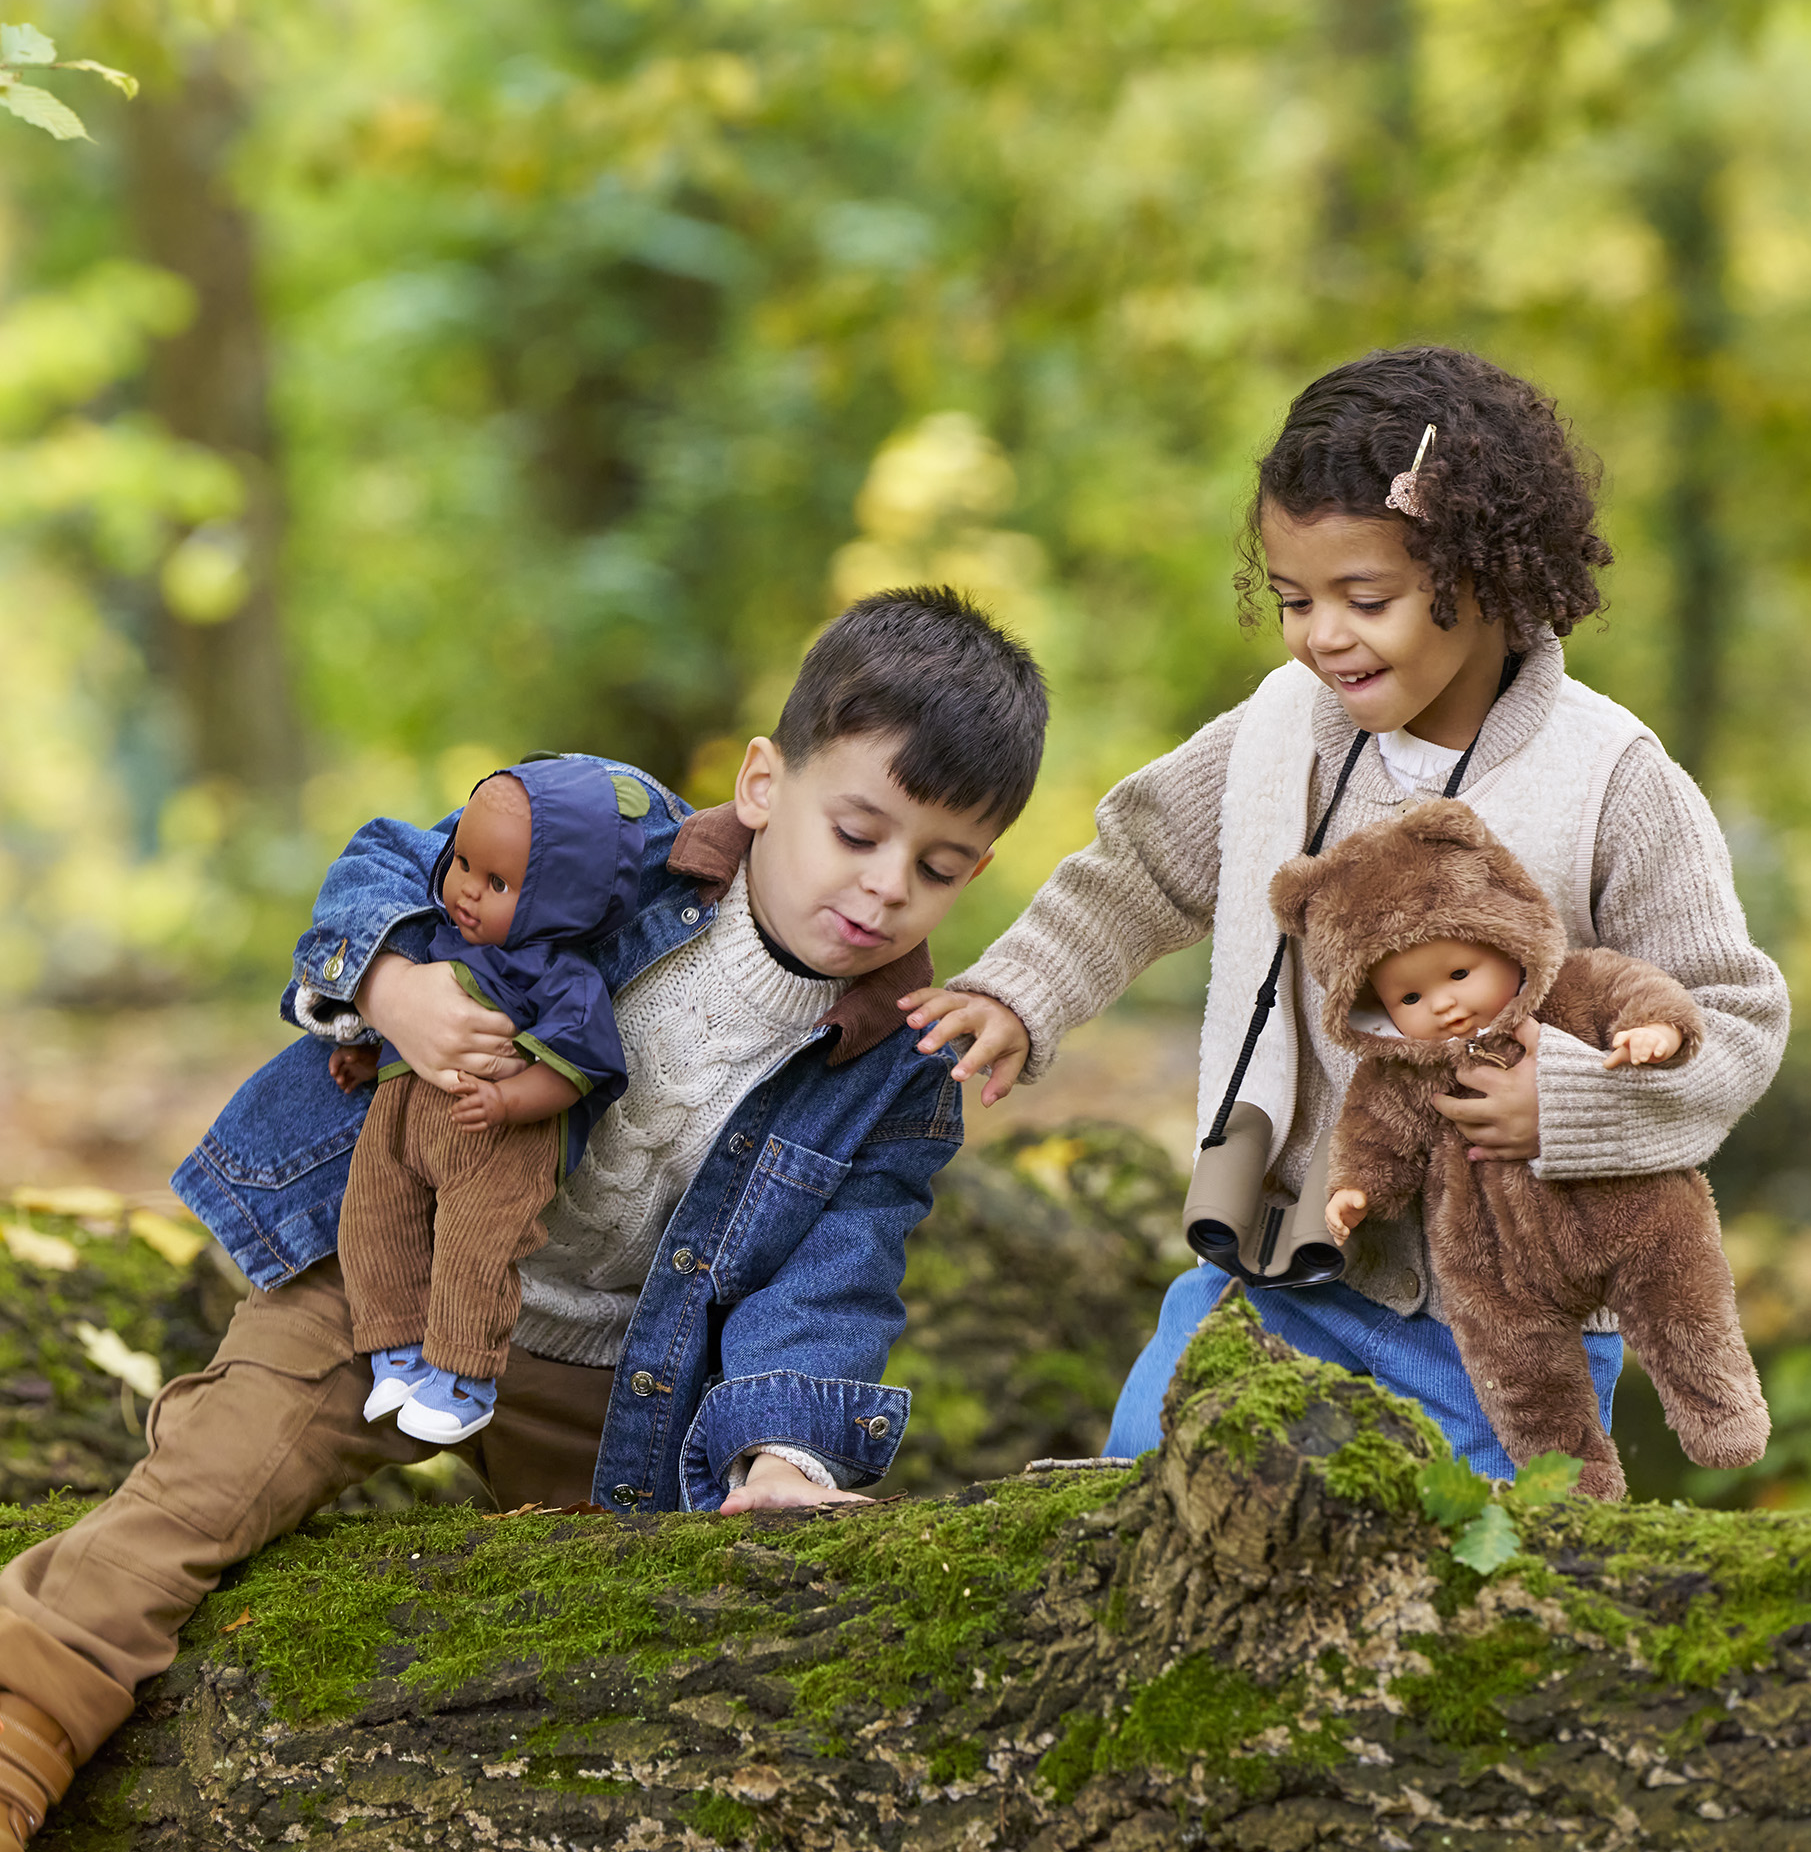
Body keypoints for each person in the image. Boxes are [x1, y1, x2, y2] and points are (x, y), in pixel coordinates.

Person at [0, 585, 1047, 1852]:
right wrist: (393, 984)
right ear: (765, 783)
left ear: (975, 870)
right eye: (857, 832)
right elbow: (390, 859)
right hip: (394, 1280)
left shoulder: (895, 1076)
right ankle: (21, 1731)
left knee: (634, 1647)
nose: (885, 889)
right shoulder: (601, 840)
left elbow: (831, 1279)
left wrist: (786, 1454)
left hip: (617, 1378)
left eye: (934, 867)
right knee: (196, 1493)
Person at [902, 345, 1789, 1475]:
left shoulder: (1608, 776)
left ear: (1484, 574)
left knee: (1482, 1580)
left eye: (1363, 597)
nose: (1322, 633)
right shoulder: (1280, 735)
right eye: (1291, 599)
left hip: (1504, 1321)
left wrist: (1564, 1103)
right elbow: (1133, 869)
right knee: (1146, 1499)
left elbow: (1731, 1015)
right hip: (1279, 1260)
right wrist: (1018, 992)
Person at [1271, 796, 1768, 1502]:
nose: (1441, 1006)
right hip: (1492, 1255)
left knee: (1682, 1298)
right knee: (1517, 1369)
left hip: (1629, 1210)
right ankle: (1575, 1477)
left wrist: (1655, 1029)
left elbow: (1643, 988)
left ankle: (1720, 1409)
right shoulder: (1404, 1070)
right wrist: (1353, 1191)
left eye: (1458, 974)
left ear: (1506, 941)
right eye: (1410, 998)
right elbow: (1374, 1135)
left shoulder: (1578, 982)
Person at [332, 758, 641, 1444]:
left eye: (497, 882)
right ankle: (398, 1353)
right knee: (372, 1221)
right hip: (400, 1116)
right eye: (463, 863)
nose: (467, 890)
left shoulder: (562, 978)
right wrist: (366, 1049)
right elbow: (409, 1014)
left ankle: (465, 1379)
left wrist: (508, 1103)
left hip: (498, 1138)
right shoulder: (442, 935)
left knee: (475, 1248)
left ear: (559, 900)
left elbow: (582, 1070)